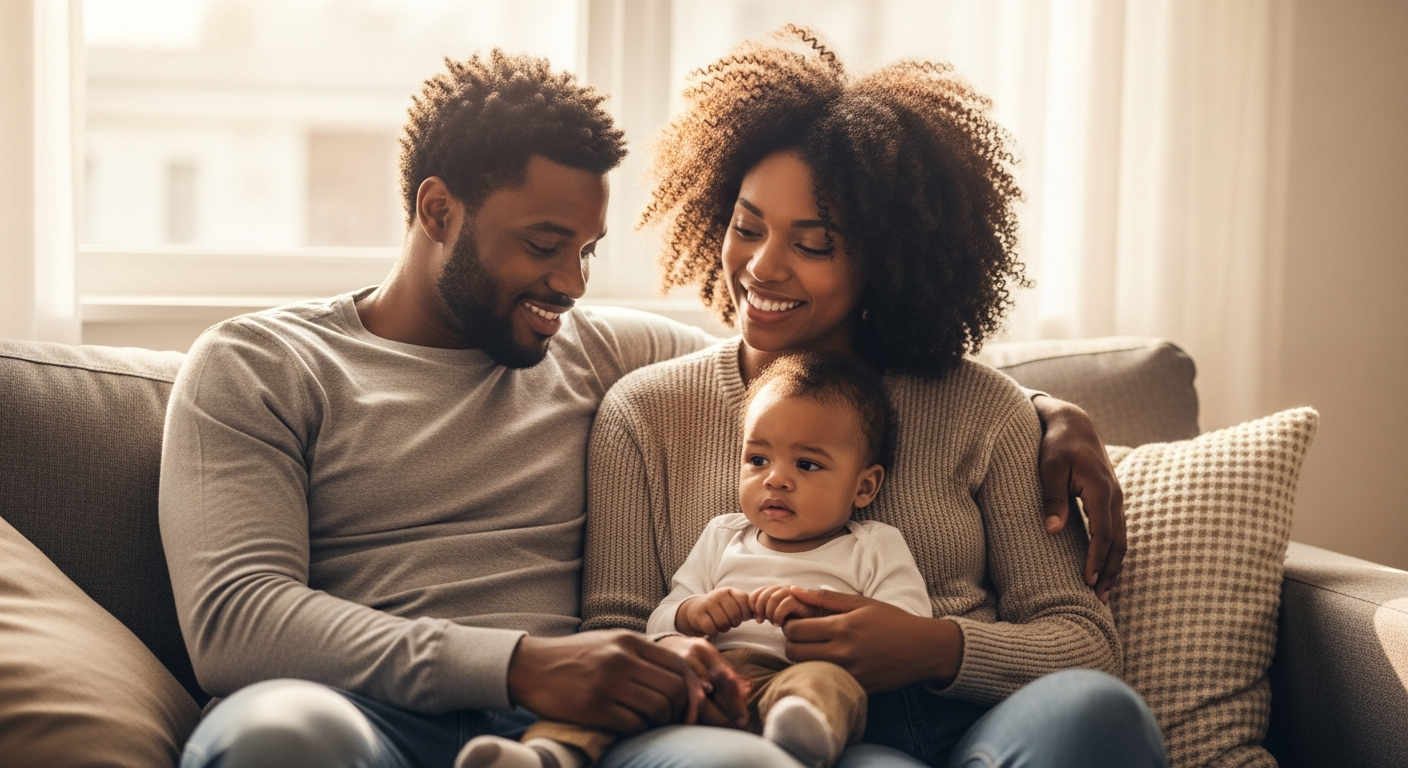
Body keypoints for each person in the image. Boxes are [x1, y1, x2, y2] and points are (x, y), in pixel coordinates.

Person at [159, 45, 1129, 768]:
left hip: (640, 712)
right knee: (282, 739)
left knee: (1086, 717)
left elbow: (828, 374)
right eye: (545, 244)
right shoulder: (261, 365)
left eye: (586, 249)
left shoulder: (584, 346)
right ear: (437, 211)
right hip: (399, 711)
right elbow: (237, 620)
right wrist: (522, 665)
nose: (571, 282)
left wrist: (1046, 409)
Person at [580, 27, 1165, 768]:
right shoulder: (644, 413)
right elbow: (612, 629)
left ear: (886, 261)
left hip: (959, 732)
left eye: (813, 243)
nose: (762, 266)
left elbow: (1082, 639)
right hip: (732, 726)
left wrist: (934, 648)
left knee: (1100, 713)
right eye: (747, 227)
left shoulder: (986, 411)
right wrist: (696, 656)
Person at [459, 352, 930, 768]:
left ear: (864, 486)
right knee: (617, 694)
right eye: (758, 459)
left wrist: (825, 616)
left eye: (807, 465)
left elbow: (909, 629)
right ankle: (544, 755)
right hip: (703, 677)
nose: (776, 480)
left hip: (792, 677)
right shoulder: (723, 534)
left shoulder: (873, 544)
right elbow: (660, 619)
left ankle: (803, 736)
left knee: (825, 684)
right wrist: (693, 614)